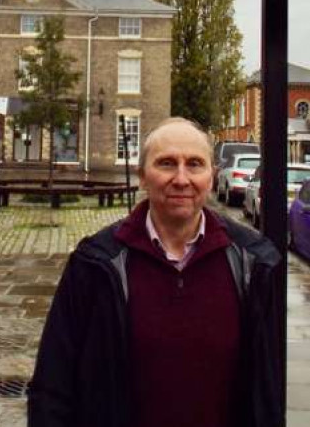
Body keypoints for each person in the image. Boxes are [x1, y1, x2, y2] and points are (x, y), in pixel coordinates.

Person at [28, 117, 284, 427]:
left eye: (194, 164)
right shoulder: (95, 264)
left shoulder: (252, 264)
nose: (181, 178)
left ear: (212, 177)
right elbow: (53, 384)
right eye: (166, 163)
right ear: (142, 177)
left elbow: (266, 393)